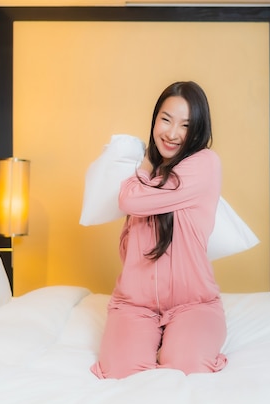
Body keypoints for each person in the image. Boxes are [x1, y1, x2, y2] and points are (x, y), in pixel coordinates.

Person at [91, 81, 228, 379]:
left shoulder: (204, 165)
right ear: (155, 120)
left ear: (198, 130)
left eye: (186, 125)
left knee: (187, 369)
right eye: (165, 120)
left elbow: (129, 198)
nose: (172, 133)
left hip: (194, 304)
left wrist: (136, 178)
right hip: (135, 305)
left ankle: (175, 340)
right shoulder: (149, 178)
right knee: (122, 374)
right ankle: (153, 340)